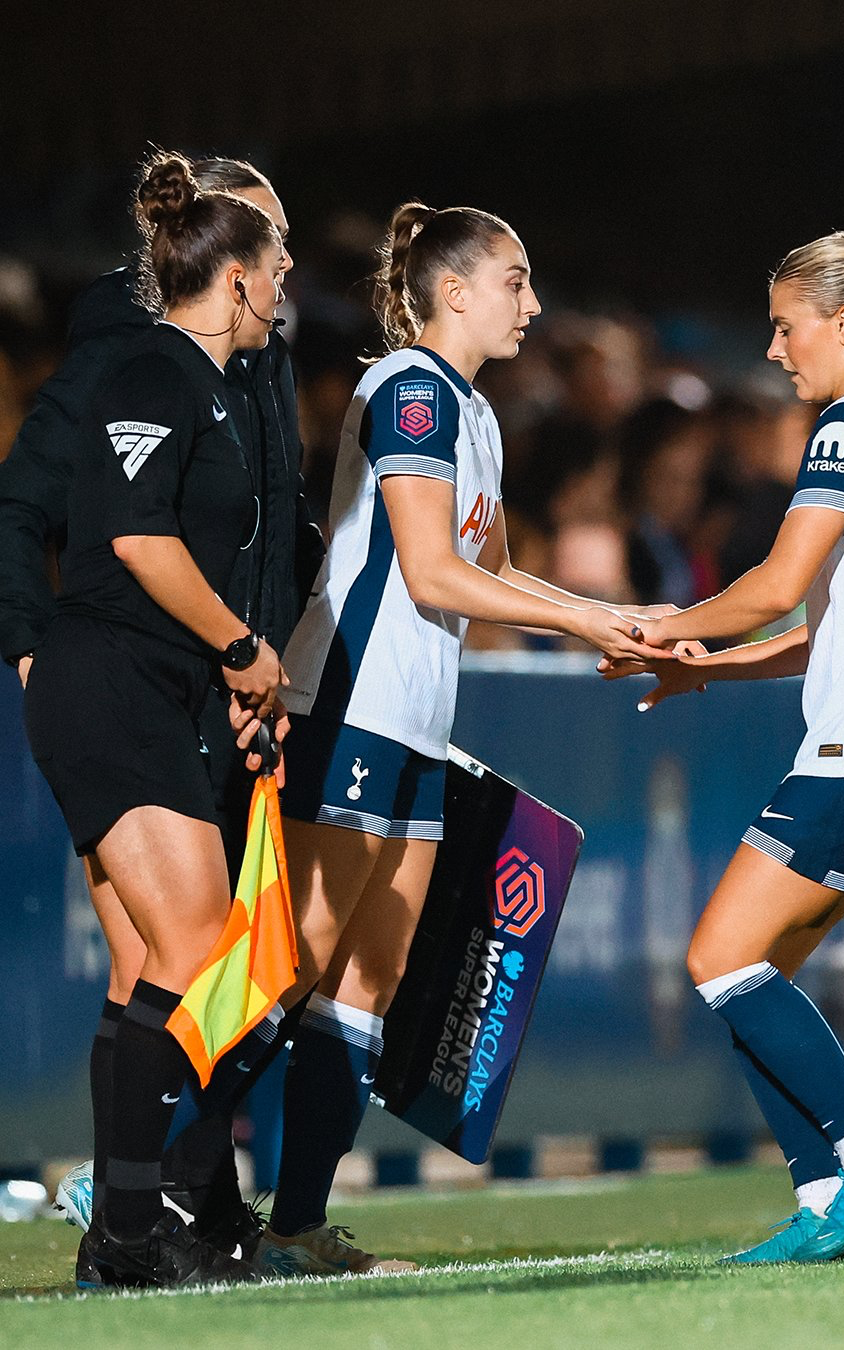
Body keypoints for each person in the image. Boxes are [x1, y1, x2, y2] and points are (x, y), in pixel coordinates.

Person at [231, 201, 668, 1276]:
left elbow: (493, 568)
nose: (532, 302)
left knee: (364, 988)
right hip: (350, 708)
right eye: (515, 280)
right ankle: (137, 1173)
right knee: (295, 968)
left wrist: (603, 616)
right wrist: (579, 619)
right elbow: (429, 574)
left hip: (419, 723)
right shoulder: (410, 392)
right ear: (455, 289)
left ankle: (292, 1226)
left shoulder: (472, 413)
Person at [605, 231, 844, 1262]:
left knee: (718, 957)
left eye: (784, 326)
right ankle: (824, 1204)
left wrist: (660, 627)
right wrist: (703, 670)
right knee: (756, 970)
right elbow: (829, 623)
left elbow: (772, 587)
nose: (774, 351)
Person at [0, 157, 324, 1257]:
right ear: (230, 272)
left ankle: (146, 1218)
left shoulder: (236, 379)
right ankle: (130, 1209)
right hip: (117, 683)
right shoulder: (142, 364)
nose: (289, 274)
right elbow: (125, 536)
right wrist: (238, 649)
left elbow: (251, 538)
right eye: (274, 254)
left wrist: (249, 673)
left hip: (186, 688)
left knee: (177, 967)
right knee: (205, 968)